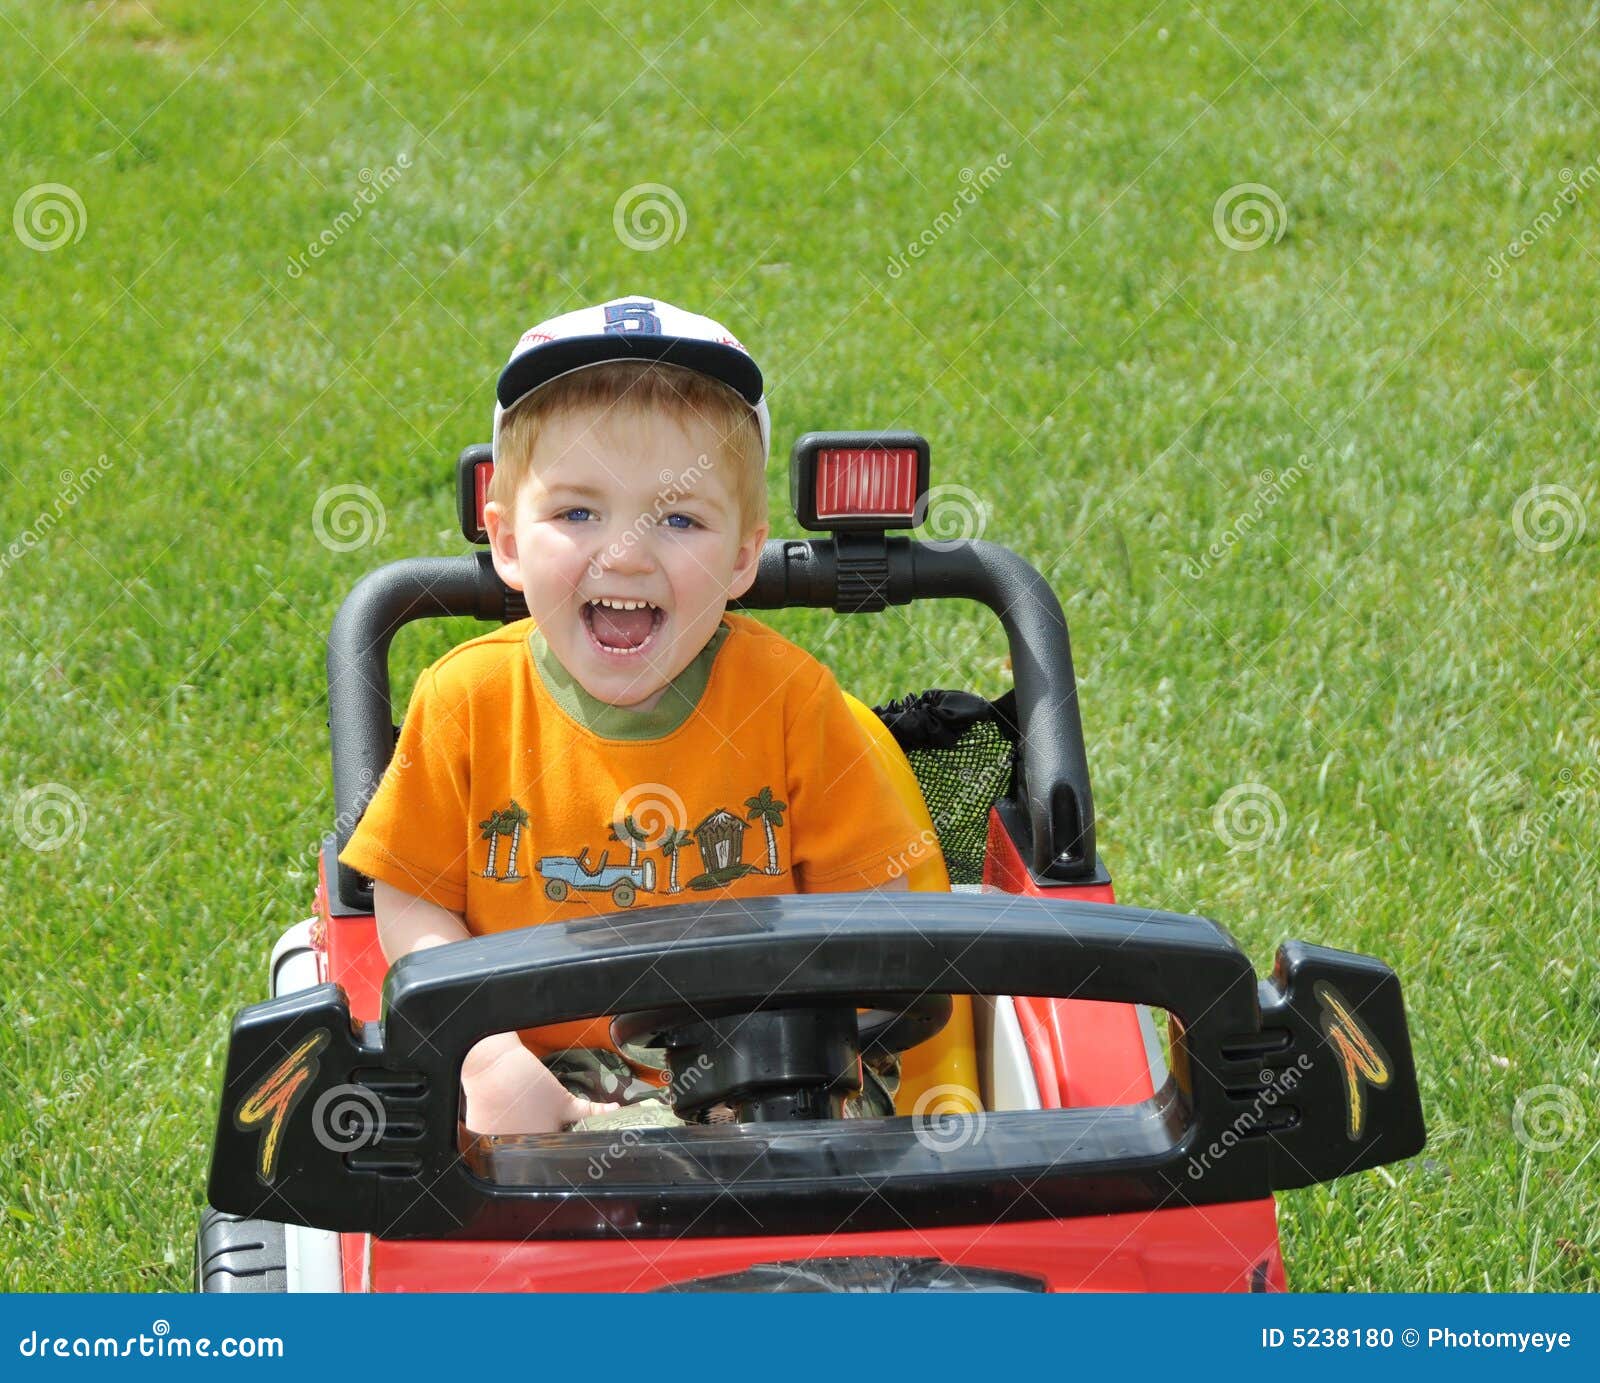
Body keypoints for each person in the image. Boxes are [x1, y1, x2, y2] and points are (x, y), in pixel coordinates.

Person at [339, 294, 924, 1135]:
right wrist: (483, 1054)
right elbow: (410, 898)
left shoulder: (789, 700)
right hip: (538, 1074)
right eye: (578, 512)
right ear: (507, 541)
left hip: (768, 1062)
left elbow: (876, 916)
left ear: (741, 557)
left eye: (679, 519)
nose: (624, 553)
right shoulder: (463, 702)